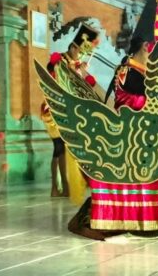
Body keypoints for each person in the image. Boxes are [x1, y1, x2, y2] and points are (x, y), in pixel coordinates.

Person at [41, 23, 99, 197]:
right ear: (74, 47)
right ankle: (57, 186)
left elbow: (88, 85)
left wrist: (83, 74)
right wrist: (75, 71)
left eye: (83, 52)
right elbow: (56, 81)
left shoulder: (77, 63)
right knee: (58, 147)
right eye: (80, 51)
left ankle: (70, 184)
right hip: (55, 109)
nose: (81, 55)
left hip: (71, 111)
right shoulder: (59, 61)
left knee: (70, 147)